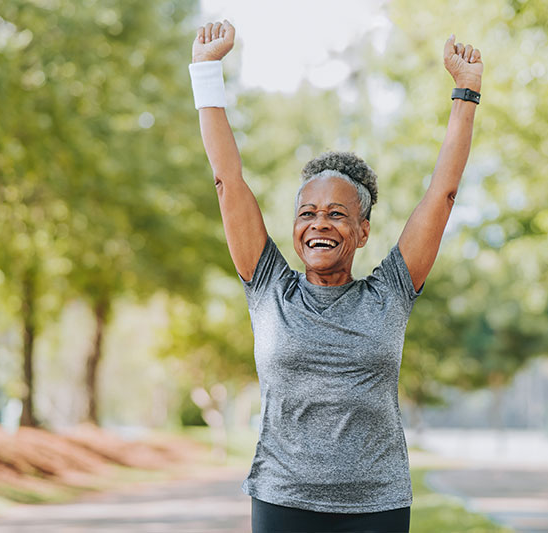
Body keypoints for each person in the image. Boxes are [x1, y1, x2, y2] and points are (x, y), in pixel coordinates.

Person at [189, 19, 483, 533]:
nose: (319, 224)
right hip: (282, 498)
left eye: (337, 214)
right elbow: (226, 181)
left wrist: (466, 92)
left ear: (363, 231)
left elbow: (442, 194)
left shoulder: (390, 291)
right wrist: (206, 72)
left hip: (377, 504)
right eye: (307, 213)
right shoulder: (268, 287)